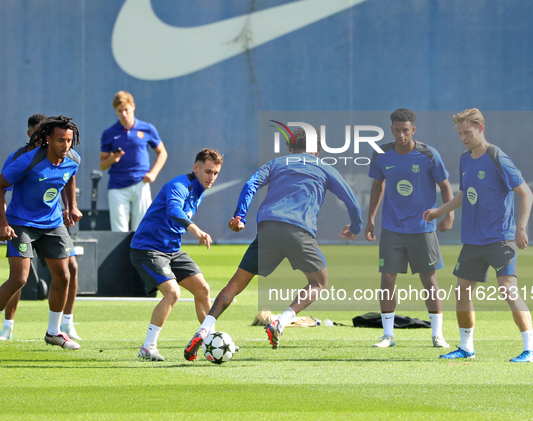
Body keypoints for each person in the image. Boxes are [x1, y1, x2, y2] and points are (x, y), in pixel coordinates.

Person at [184, 127, 363, 361]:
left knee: (236, 284)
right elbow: (351, 200)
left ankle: (204, 328)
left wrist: (240, 216)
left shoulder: (277, 163)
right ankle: (281, 322)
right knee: (319, 281)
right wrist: (355, 229)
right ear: (317, 150)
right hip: (299, 230)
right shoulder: (324, 167)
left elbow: (250, 184)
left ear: (290, 148)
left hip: (267, 228)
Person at [424, 108, 533, 363]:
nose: (464, 137)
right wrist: (438, 212)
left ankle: (531, 349)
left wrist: (521, 228)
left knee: (508, 289)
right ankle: (466, 348)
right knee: (462, 291)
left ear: (480, 128)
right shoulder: (465, 159)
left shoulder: (497, 156)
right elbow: (464, 195)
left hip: (500, 237)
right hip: (473, 240)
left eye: (468, 132)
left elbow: (526, 193)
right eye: (460, 133)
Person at [0, 116, 82, 353]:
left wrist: (71, 205)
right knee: (20, 279)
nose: (65, 145)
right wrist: (2, 224)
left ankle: (54, 332)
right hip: (21, 223)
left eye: (69, 140)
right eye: (60, 140)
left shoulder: (73, 159)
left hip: (53, 223)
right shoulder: (27, 161)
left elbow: (69, 176)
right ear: (47, 139)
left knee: (64, 276)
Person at [365, 108, 455, 349]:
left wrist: (449, 213)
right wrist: (371, 218)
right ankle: (387, 335)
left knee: (429, 279)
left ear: (413, 130)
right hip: (393, 229)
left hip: (423, 228)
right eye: (397, 130)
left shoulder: (428, 154)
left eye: (406, 130)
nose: (401, 134)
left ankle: (438, 335)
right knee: (387, 278)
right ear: (391, 129)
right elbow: (377, 186)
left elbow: (445, 186)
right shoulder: (381, 154)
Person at [130, 148, 223, 361]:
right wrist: (195, 229)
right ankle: (148, 347)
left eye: (216, 173)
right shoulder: (179, 185)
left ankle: (210, 342)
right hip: (147, 249)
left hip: (172, 249)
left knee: (203, 290)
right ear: (196, 168)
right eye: (208, 172)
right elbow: (173, 210)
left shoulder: (199, 190)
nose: (212, 177)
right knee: (172, 293)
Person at [100, 91, 168, 232]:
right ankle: (121, 256)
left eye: (126, 109)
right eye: (120, 111)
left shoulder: (147, 128)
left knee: (142, 229)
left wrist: (153, 173)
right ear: (115, 111)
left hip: (141, 184)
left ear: (133, 106)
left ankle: (139, 255)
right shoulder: (109, 133)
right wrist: (112, 159)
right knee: (118, 232)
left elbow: (162, 153)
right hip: (117, 186)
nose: (124, 114)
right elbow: (102, 164)